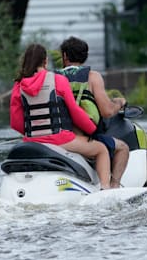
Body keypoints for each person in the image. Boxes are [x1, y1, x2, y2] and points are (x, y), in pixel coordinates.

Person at [10, 43, 112, 189]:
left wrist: (36, 134)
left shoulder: (18, 85)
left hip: (32, 141)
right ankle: (105, 189)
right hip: (60, 140)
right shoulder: (58, 80)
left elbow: (16, 122)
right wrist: (91, 130)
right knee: (101, 149)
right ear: (45, 61)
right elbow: (75, 112)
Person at [58, 36, 129, 188]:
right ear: (85, 56)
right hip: (82, 138)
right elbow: (107, 112)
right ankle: (113, 187)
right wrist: (119, 103)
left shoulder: (53, 78)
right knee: (122, 148)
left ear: (64, 56)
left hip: (57, 135)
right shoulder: (92, 77)